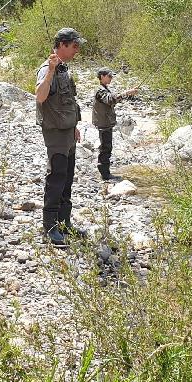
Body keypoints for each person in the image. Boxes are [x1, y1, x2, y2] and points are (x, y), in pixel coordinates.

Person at [35, 28, 84, 248]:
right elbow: (40, 96)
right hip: (55, 134)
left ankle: (64, 224)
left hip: (68, 133)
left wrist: (74, 126)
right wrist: (51, 71)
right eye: (75, 46)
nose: (77, 50)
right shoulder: (48, 68)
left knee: (67, 179)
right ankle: (51, 228)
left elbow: (69, 101)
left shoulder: (64, 68)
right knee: (56, 179)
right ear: (63, 44)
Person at [91, 68, 138, 182]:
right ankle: (105, 174)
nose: (111, 78)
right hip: (103, 124)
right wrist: (126, 93)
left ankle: (105, 173)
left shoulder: (104, 89)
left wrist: (128, 94)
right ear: (102, 76)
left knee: (107, 147)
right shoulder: (100, 90)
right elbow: (110, 100)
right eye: (109, 76)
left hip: (105, 123)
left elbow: (112, 100)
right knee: (106, 148)